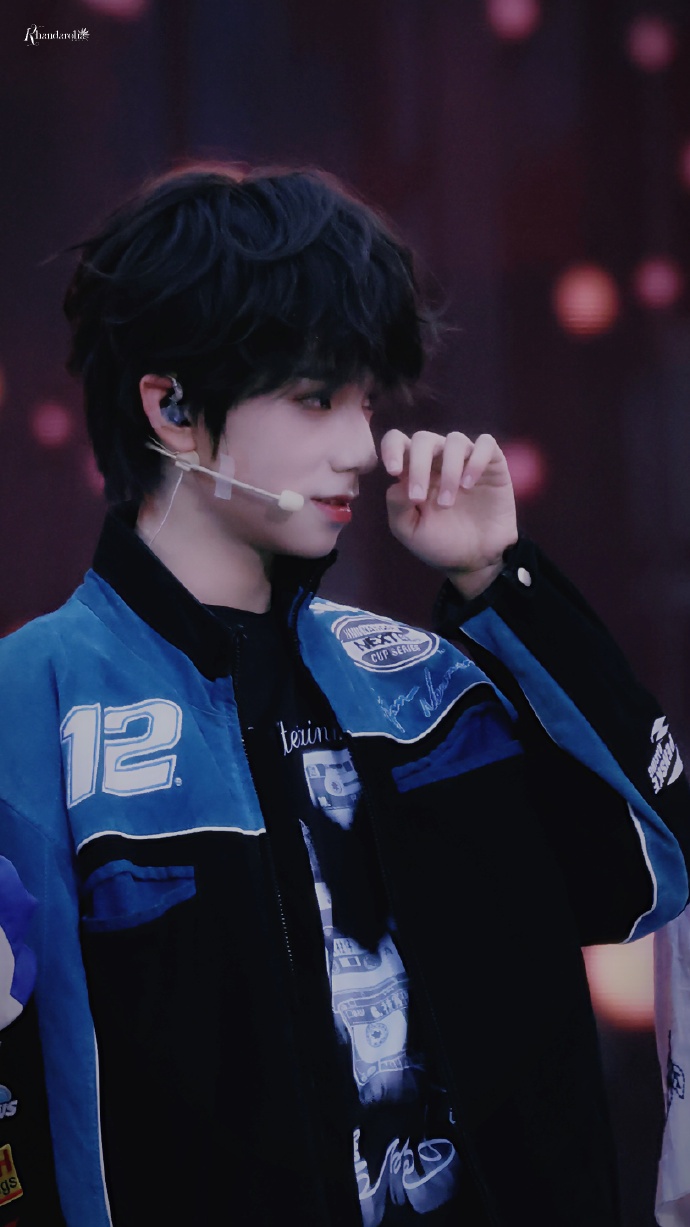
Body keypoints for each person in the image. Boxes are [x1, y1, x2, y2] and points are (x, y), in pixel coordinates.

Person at [0, 164, 689, 1227]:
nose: (364, 447)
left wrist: (497, 580)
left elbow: (645, 868)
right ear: (172, 407)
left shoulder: (422, 684)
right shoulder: (29, 704)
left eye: (366, 400)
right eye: (319, 398)